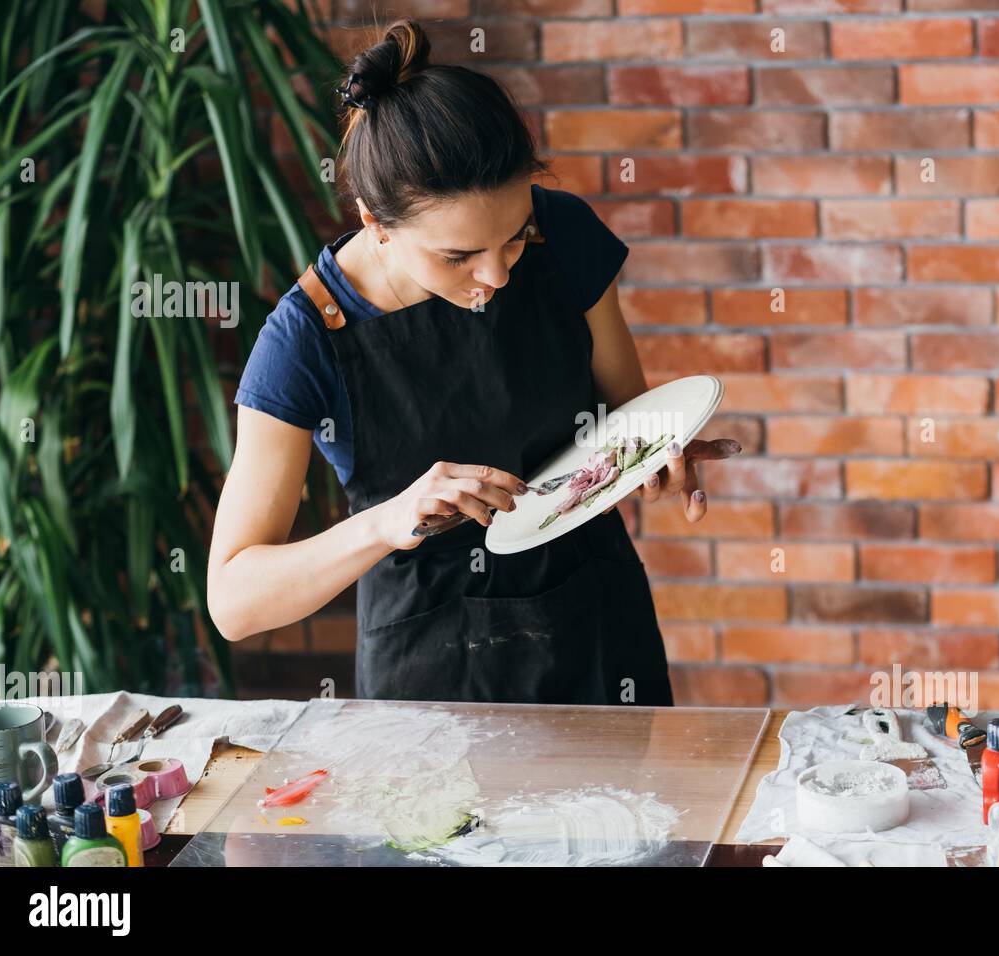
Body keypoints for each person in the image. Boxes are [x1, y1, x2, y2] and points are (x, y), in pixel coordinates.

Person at [207, 19, 737, 705]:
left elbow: (624, 419)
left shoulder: (564, 233)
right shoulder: (304, 339)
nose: (497, 275)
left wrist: (659, 459)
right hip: (431, 670)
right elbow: (234, 601)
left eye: (514, 238)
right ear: (376, 223)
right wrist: (385, 522)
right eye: (457, 256)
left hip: (597, 632)